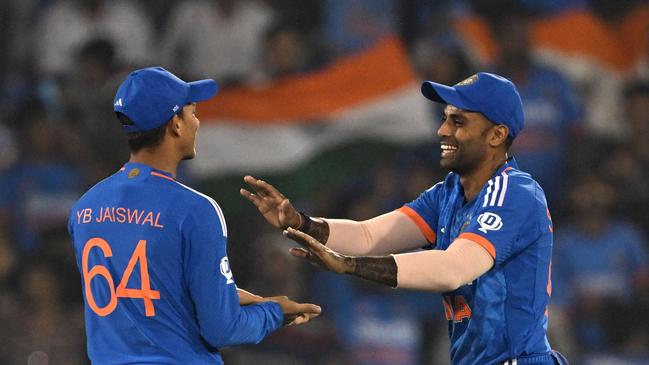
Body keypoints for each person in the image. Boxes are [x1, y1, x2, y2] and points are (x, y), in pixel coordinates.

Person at [242, 72, 568, 365]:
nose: (442, 130)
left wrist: (350, 265)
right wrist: (300, 222)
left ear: (496, 135)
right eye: (445, 119)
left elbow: (453, 270)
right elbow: (369, 235)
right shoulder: (448, 193)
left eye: (458, 122)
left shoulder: (514, 194)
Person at [67, 67, 321, 364]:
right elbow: (221, 330)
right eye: (193, 113)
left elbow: (149, 288)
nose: (198, 123)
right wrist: (274, 313)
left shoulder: (85, 207)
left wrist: (250, 298)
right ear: (175, 124)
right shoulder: (195, 210)